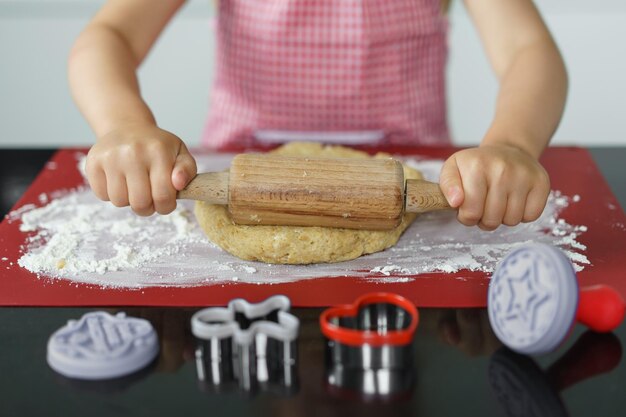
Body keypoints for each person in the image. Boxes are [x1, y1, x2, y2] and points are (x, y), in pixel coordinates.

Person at [69, 0, 567, 231]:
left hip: (412, 185)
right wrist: (123, 124)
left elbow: (529, 49)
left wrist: (513, 145)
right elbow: (110, 34)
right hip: (236, 178)